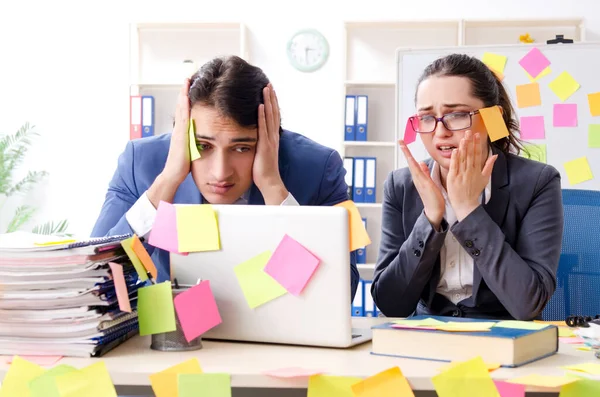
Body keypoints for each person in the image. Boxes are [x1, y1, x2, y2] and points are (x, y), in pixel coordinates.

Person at [91, 55, 359, 300]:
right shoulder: (140, 162)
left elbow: (343, 290)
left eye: (242, 148)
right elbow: (93, 278)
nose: (221, 172)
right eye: (204, 146)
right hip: (173, 339)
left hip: (274, 339)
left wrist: (274, 189)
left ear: (270, 137)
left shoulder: (320, 167)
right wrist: (167, 182)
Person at [371, 53, 563, 321]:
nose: (440, 132)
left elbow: (527, 304)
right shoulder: (400, 186)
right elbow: (391, 305)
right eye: (426, 117)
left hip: (505, 337)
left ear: (493, 118)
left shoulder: (537, 182)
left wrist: (468, 210)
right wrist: (430, 220)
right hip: (428, 334)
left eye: (457, 114)